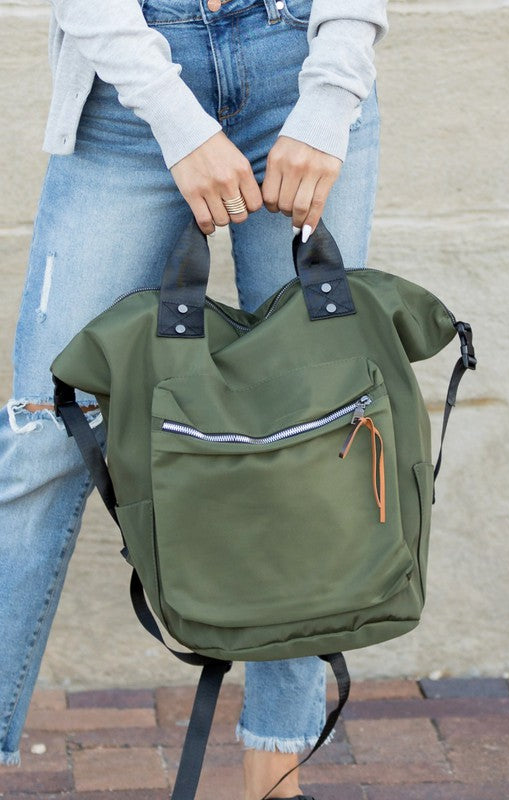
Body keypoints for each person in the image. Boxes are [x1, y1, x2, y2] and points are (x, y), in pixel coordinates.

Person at [0, 0, 389, 797]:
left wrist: (330, 96)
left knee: (305, 436)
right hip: (128, 79)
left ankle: (276, 778)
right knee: (42, 433)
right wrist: (179, 123)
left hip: (299, 65)